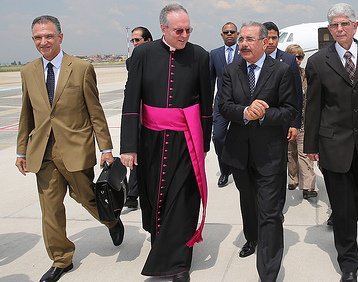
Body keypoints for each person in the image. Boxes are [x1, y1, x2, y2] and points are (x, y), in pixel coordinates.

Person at [16, 15, 123, 282]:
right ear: (33, 40)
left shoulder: (81, 68)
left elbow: (95, 112)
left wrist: (106, 149)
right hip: (42, 152)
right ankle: (61, 258)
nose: (44, 41)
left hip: (76, 148)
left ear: (60, 37)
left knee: (86, 197)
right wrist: (21, 152)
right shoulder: (28, 71)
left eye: (49, 36)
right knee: (50, 209)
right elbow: (26, 114)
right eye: (38, 37)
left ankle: (111, 220)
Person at [120, 4, 212, 282]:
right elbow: (131, 99)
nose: (184, 35)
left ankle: (178, 263)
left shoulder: (200, 55)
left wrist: (204, 144)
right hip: (150, 140)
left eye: (188, 30)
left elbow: (206, 104)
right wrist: (128, 145)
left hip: (186, 140)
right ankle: (158, 240)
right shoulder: (143, 53)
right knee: (153, 194)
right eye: (178, 30)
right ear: (163, 29)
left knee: (182, 198)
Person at [303, 3, 358, 281]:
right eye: (334, 25)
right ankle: (349, 264)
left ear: (354, 26)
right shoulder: (317, 62)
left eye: (344, 24)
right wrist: (311, 146)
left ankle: (345, 223)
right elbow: (313, 106)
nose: (339, 29)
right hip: (333, 144)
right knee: (341, 207)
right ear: (329, 29)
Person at [218, 21, 297, 282]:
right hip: (239, 152)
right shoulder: (230, 70)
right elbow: (224, 105)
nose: (243, 44)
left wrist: (263, 114)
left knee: (271, 211)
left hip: (270, 153)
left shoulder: (282, 71)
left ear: (264, 43)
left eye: (249, 39)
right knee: (248, 202)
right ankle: (252, 238)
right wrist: (244, 112)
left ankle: (269, 270)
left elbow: (289, 109)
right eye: (241, 39)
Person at [262, 21, 303, 211]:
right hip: (259, 122)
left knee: (279, 166)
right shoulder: (253, 58)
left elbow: (296, 94)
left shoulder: (288, 60)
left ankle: (278, 206)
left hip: (281, 122)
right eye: (267, 38)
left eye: (274, 38)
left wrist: (295, 123)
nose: (271, 42)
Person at [209, 22, 241, 187]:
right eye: (226, 32)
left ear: (237, 34)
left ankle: (240, 168)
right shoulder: (214, 54)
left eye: (232, 31)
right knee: (218, 137)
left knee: (242, 138)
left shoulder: (243, 52)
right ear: (222, 35)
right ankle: (225, 170)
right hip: (221, 103)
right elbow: (210, 80)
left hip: (240, 104)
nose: (229, 34)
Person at [124, 26, 153, 209]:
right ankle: (133, 193)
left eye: (138, 40)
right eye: (133, 40)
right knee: (136, 153)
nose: (135, 43)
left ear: (148, 41)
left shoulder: (159, 59)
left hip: (156, 115)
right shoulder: (131, 61)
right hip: (139, 113)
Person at [285, 44, 317, 199]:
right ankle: (293, 179)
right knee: (291, 152)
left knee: (304, 152)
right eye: (294, 57)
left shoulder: (307, 74)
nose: (297, 60)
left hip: (304, 119)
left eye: (300, 57)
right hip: (288, 120)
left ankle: (308, 187)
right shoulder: (283, 74)